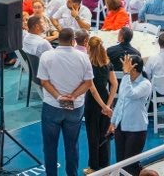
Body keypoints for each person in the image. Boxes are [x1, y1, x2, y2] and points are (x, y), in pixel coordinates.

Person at [38, 28, 93, 176]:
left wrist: (58, 97)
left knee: (50, 147)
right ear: (73, 41)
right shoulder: (83, 57)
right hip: (75, 107)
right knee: (72, 145)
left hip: (52, 106)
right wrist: (73, 96)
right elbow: (88, 83)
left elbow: (44, 82)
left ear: (59, 39)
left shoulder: (46, 56)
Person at [108, 54, 151, 176]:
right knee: (120, 163)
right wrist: (113, 122)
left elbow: (131, 94)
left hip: (136, 129)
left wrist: (126, 75)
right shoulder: (127, 80)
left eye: (126, 68)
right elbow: (120, 102)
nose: (124, 70)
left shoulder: (145, 84)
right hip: (121, 127)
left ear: (134, 69)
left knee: (130, 165)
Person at [84, 36, 117, 173]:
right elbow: (114, 84)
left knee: (93, 136)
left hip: (93, 104)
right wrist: (108, 105)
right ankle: (105, 165)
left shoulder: (88, 65)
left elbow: (92, 89)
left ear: (89, 48)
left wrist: (103, 106)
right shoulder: (108, 64)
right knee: (105, 135)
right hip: (106, 100)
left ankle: (94, 167)